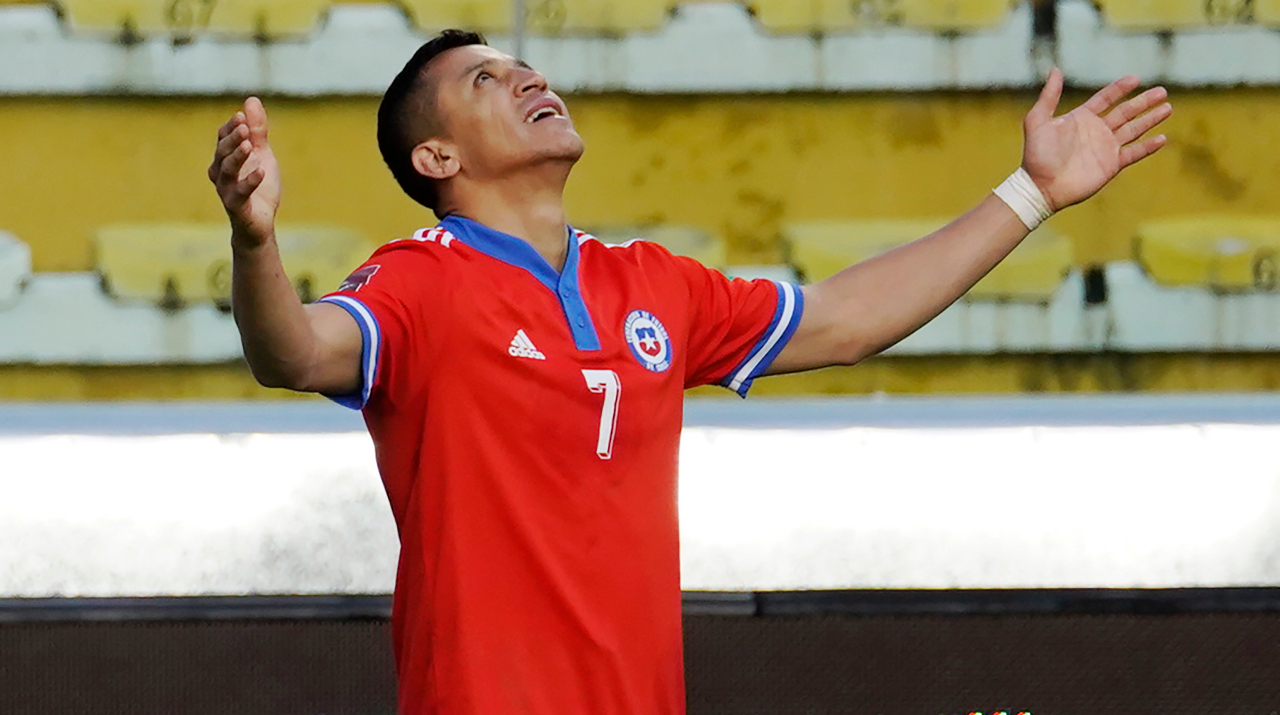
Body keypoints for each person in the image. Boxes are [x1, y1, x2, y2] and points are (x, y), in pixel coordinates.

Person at [207, 29, 1171, 715]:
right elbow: (291, 350)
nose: (527, 77)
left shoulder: (651, 283)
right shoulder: (420, 281)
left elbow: (842, 320)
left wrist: (1031, 193)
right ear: (437, 153)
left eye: (524, 65)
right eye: (486, 79)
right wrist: (256, 242)